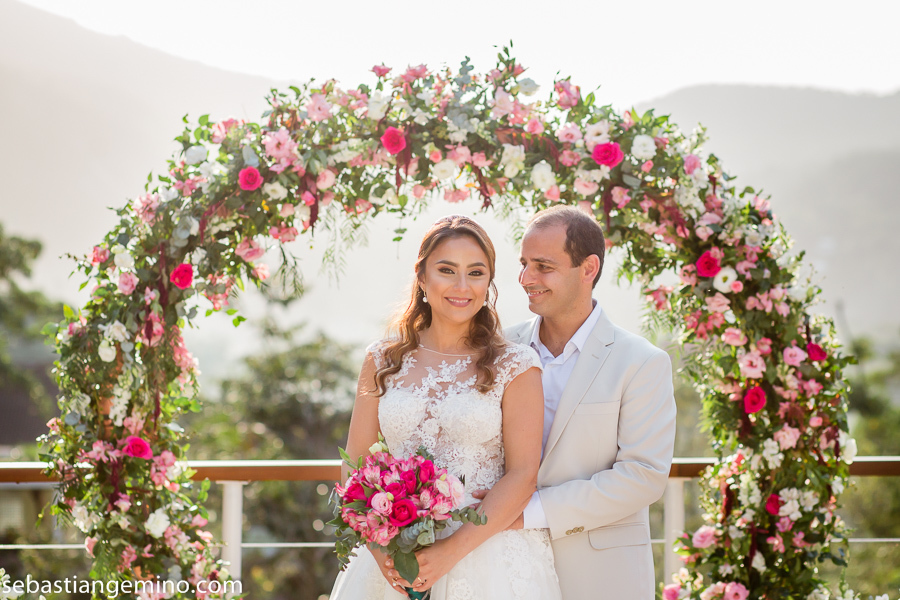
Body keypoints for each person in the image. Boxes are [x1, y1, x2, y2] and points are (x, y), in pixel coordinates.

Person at [330, 215, 562, 599]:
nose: (462, 286)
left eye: (476, 273)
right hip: (394, 558)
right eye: (447, 270)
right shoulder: (382, 359)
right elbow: (355, 466)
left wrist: (448, 554)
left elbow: (523, 475)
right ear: (421, 277)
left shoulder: (516, 364)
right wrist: (382, 554)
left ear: (489, 283)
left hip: (488, 556)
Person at [478, 205, 677, 599]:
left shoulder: (642, 362)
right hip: (501, 569)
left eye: (543, 266)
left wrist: (529, 513)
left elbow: (643, 475)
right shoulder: (497, 349)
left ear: (588, 269)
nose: (525, 278)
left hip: (601, 578)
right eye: (523, 264)